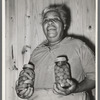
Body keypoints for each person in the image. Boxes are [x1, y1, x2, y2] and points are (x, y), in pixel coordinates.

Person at [16, 4, 95, 100]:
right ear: (43, 26)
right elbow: (27, 80)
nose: (50, 22)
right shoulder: (36, 52)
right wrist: (23, 91)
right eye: (46, 20)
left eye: (56, 19)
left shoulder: (78, 45)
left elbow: (95, 77)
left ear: (64, 25)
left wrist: (76, 88)